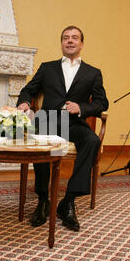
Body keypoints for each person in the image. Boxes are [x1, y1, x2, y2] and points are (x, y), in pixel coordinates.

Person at [17, 25, 109, 231]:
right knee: (38, 137)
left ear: (81, 44)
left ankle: (68, 201)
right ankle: (43, 199)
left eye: (74, 37)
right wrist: (24, 103)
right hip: (47, 119)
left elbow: (102, 103)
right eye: (66, 37)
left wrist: (82, 107)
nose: (70, 40)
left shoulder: (93, 73)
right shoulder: (47, 67)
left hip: (74, 122)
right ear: (61, 43)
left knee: (92, 140)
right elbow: (28, 89)